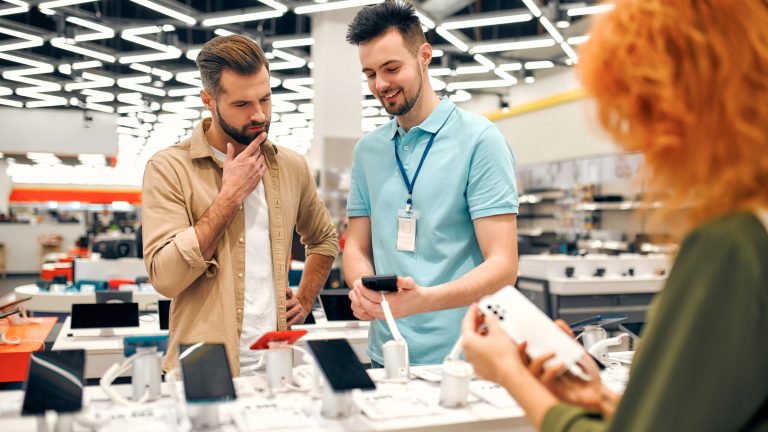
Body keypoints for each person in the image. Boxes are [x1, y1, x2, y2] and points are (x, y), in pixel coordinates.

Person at [461, 0, 768, 430]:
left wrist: (511, 374)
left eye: (642, 114)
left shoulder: (732, 247)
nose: (636, 145)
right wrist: (602, 400)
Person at [142, 35, 338, 376]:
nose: (259, 114)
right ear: (208, 100)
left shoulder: (291, 166)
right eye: (242, 104)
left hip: (278, 362)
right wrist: (229, 197)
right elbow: (165, 277)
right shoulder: (169, 167)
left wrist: (305, 298)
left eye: (265, 98)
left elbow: (324, 239)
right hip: (201, 364)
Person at [343, 0, 519, 367]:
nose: (381, 85)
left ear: (424, 55)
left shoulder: (480, 140)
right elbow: (356, 246)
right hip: (386, 353)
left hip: (466, 355)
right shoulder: (368, 151)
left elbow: (503, 265)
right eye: (370, 74)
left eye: (392, 68)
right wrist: (362, 287)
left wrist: (424, 299)